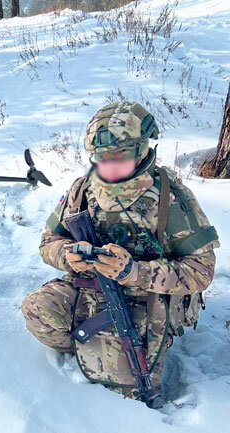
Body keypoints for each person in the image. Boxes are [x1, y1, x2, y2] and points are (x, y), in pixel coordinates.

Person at [21, 101, 219, 401]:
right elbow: (49, 241)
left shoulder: (170, 197)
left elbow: (201, 271)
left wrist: (135, 271)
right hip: (90, 286)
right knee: (38, 311)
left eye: (119, 156)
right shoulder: (82, 190)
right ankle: (85, 347)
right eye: (101, 157)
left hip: (149, 295)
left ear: (142, 150)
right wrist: (68, 255)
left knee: (128, 383)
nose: (109, 165)